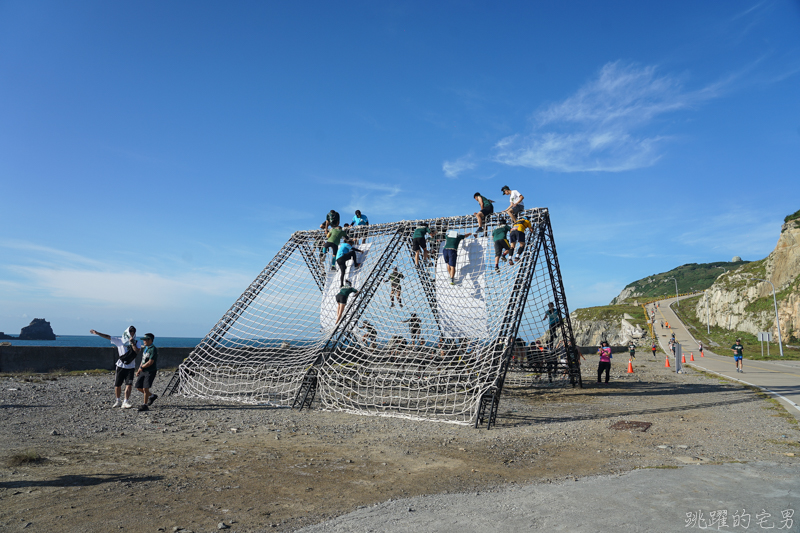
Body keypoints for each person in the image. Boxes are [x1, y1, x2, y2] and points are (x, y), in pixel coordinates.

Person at [90, 326, 141, 409]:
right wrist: (97, 333)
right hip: (120, 366)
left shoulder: (137, 342)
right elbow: (108, 337)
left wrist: (132, 343)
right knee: (118, 384)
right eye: (131, 330)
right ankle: (118, 401)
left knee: (129, 384)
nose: (132, 332)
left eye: (134, 331)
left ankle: (126, 401)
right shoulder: (120, 340)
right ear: (127, 332)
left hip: (130, 367)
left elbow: (137, 351)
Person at [134, 333, 159, 411]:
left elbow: (150, 362)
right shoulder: (146, 349)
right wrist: (139, 370)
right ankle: (152, 396)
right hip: (143, 370)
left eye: (145, 339)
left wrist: (142, 367)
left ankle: (145, 405)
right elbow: (143, 360)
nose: (144, 341)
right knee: (138, 387)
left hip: (150, 371)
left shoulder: (153, 349)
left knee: (145, 388)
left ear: (150, 340)